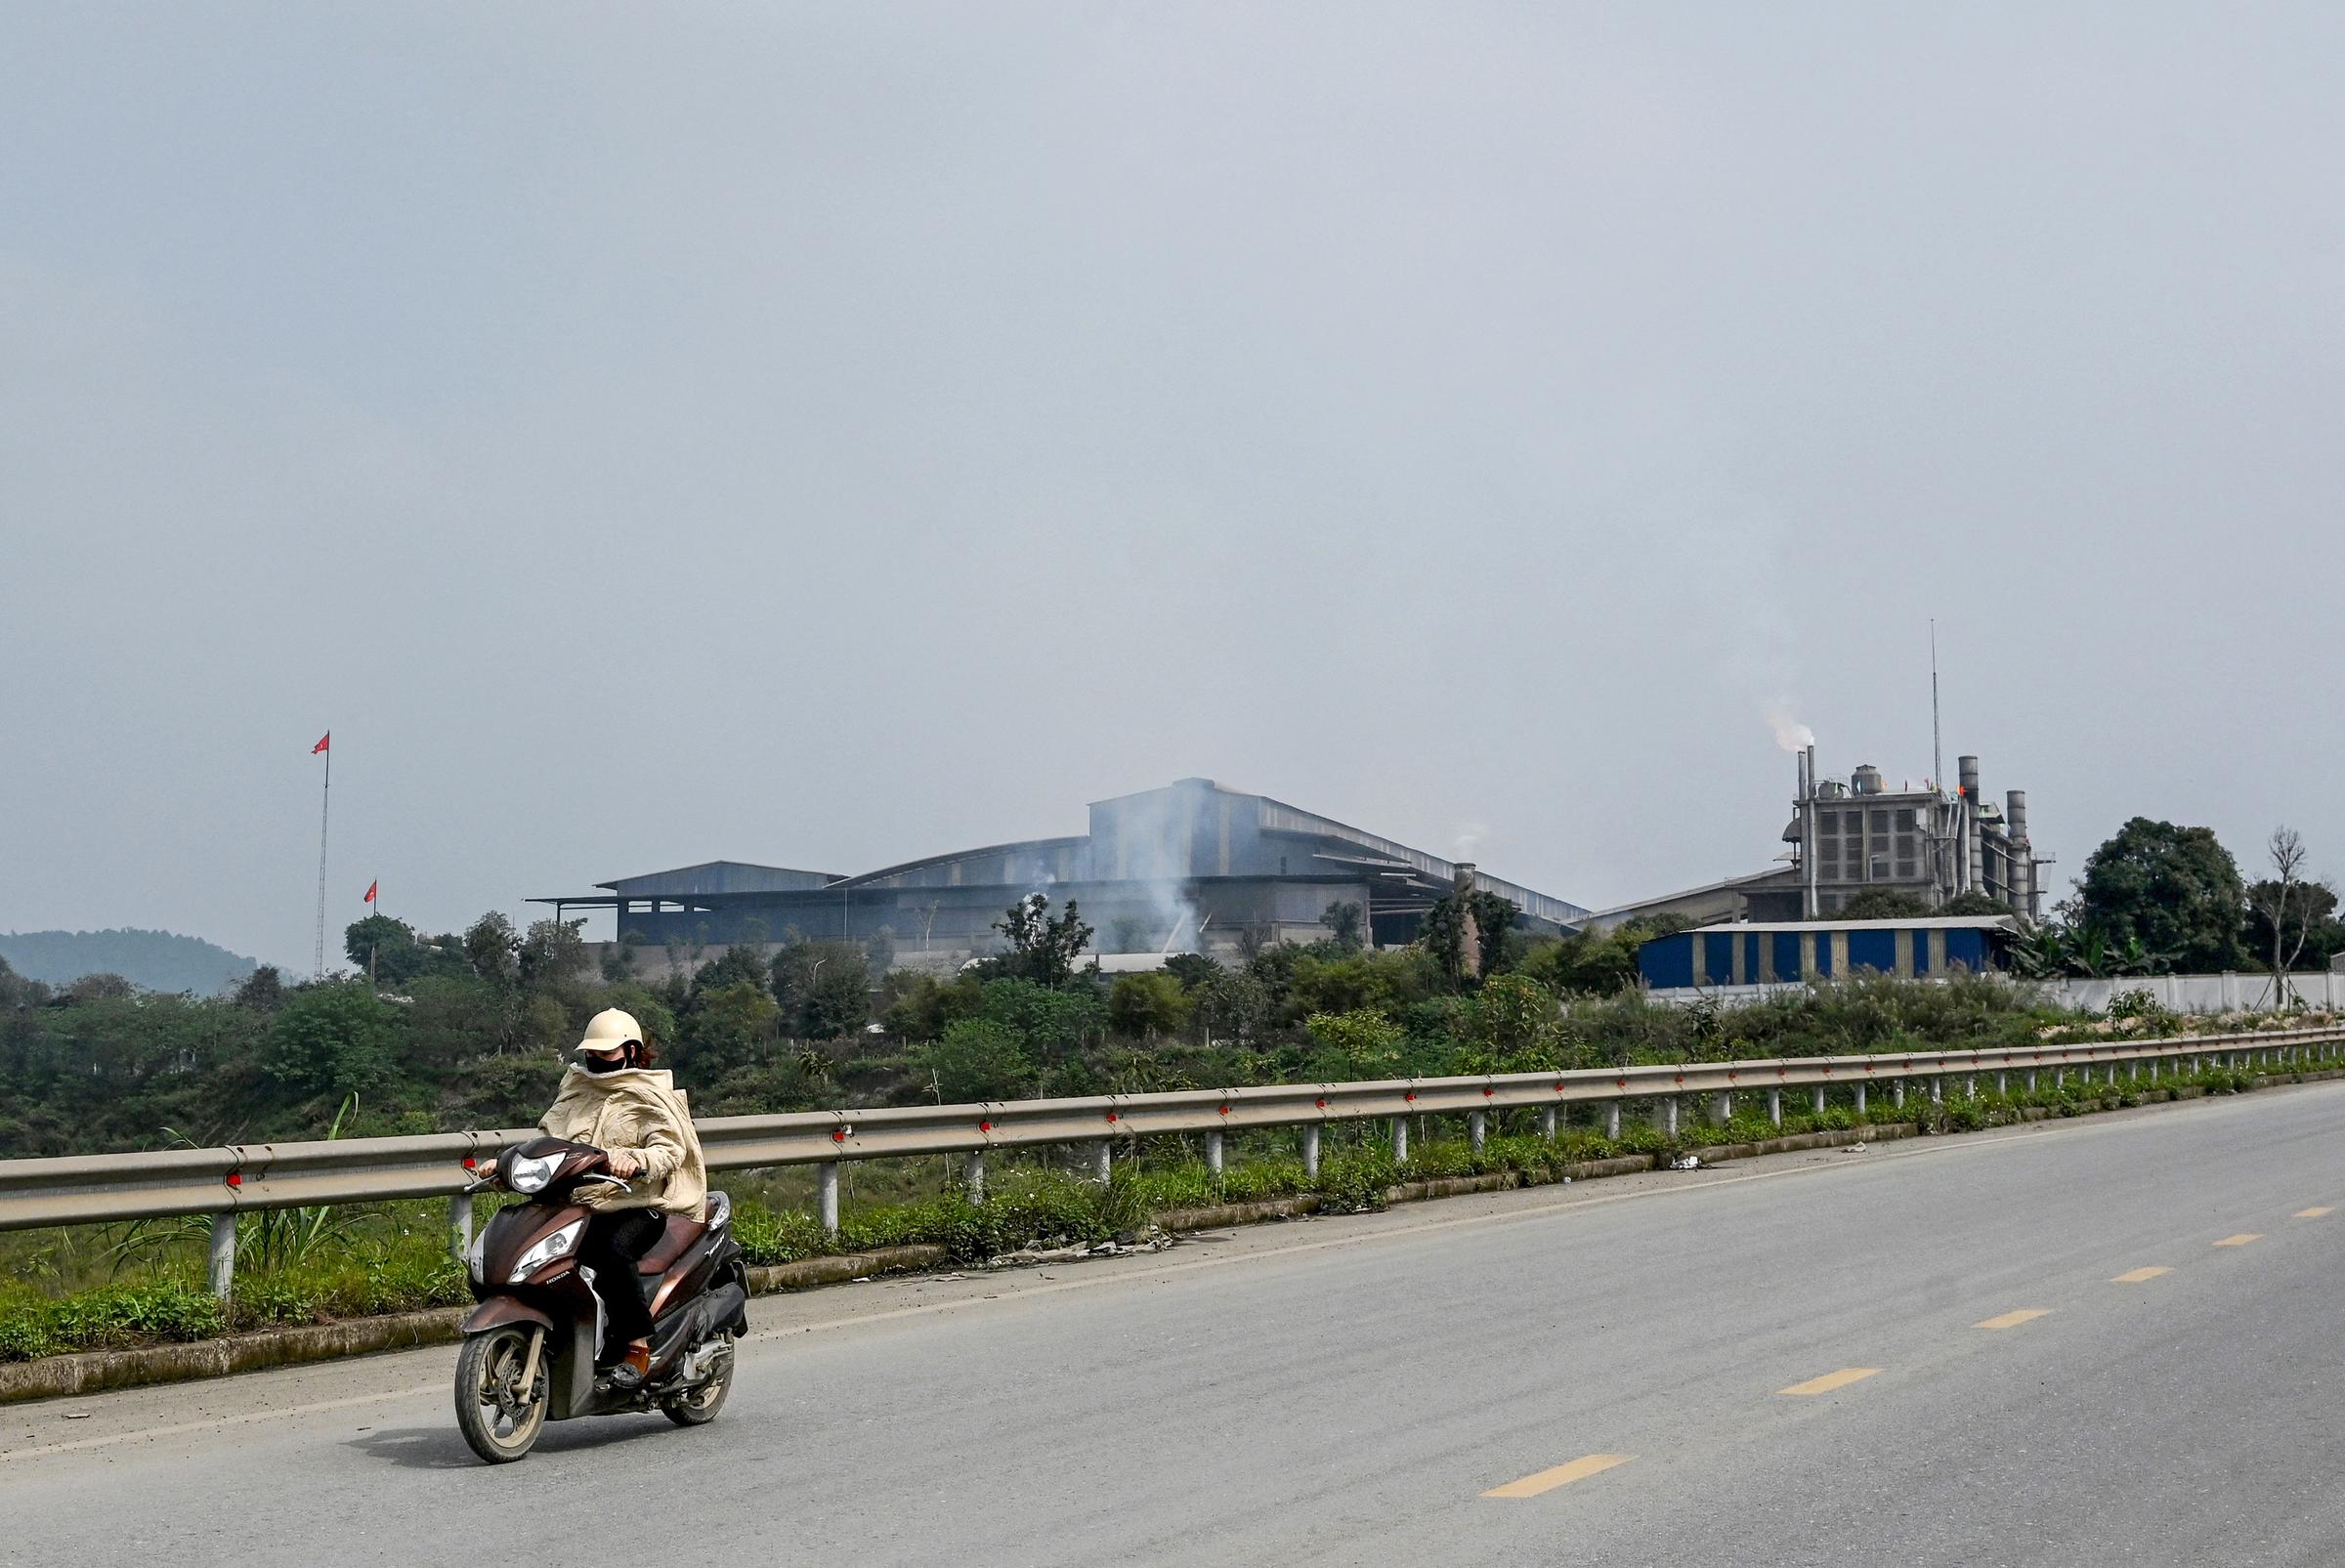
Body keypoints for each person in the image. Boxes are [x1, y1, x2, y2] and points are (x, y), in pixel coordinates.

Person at [537, 1007, 707, 1391]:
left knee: (611, 1252)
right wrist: (504, 1164)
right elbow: (544, 1140)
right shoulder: (576, 1093)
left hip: (633, 1205)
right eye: (592, 1053)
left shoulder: (648, 1095)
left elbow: (669, 1149)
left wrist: (637, 1160)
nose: (596, 1060)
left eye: (606, 1052)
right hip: (576, 1206)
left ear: (631, 1051)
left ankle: (636, 1346)